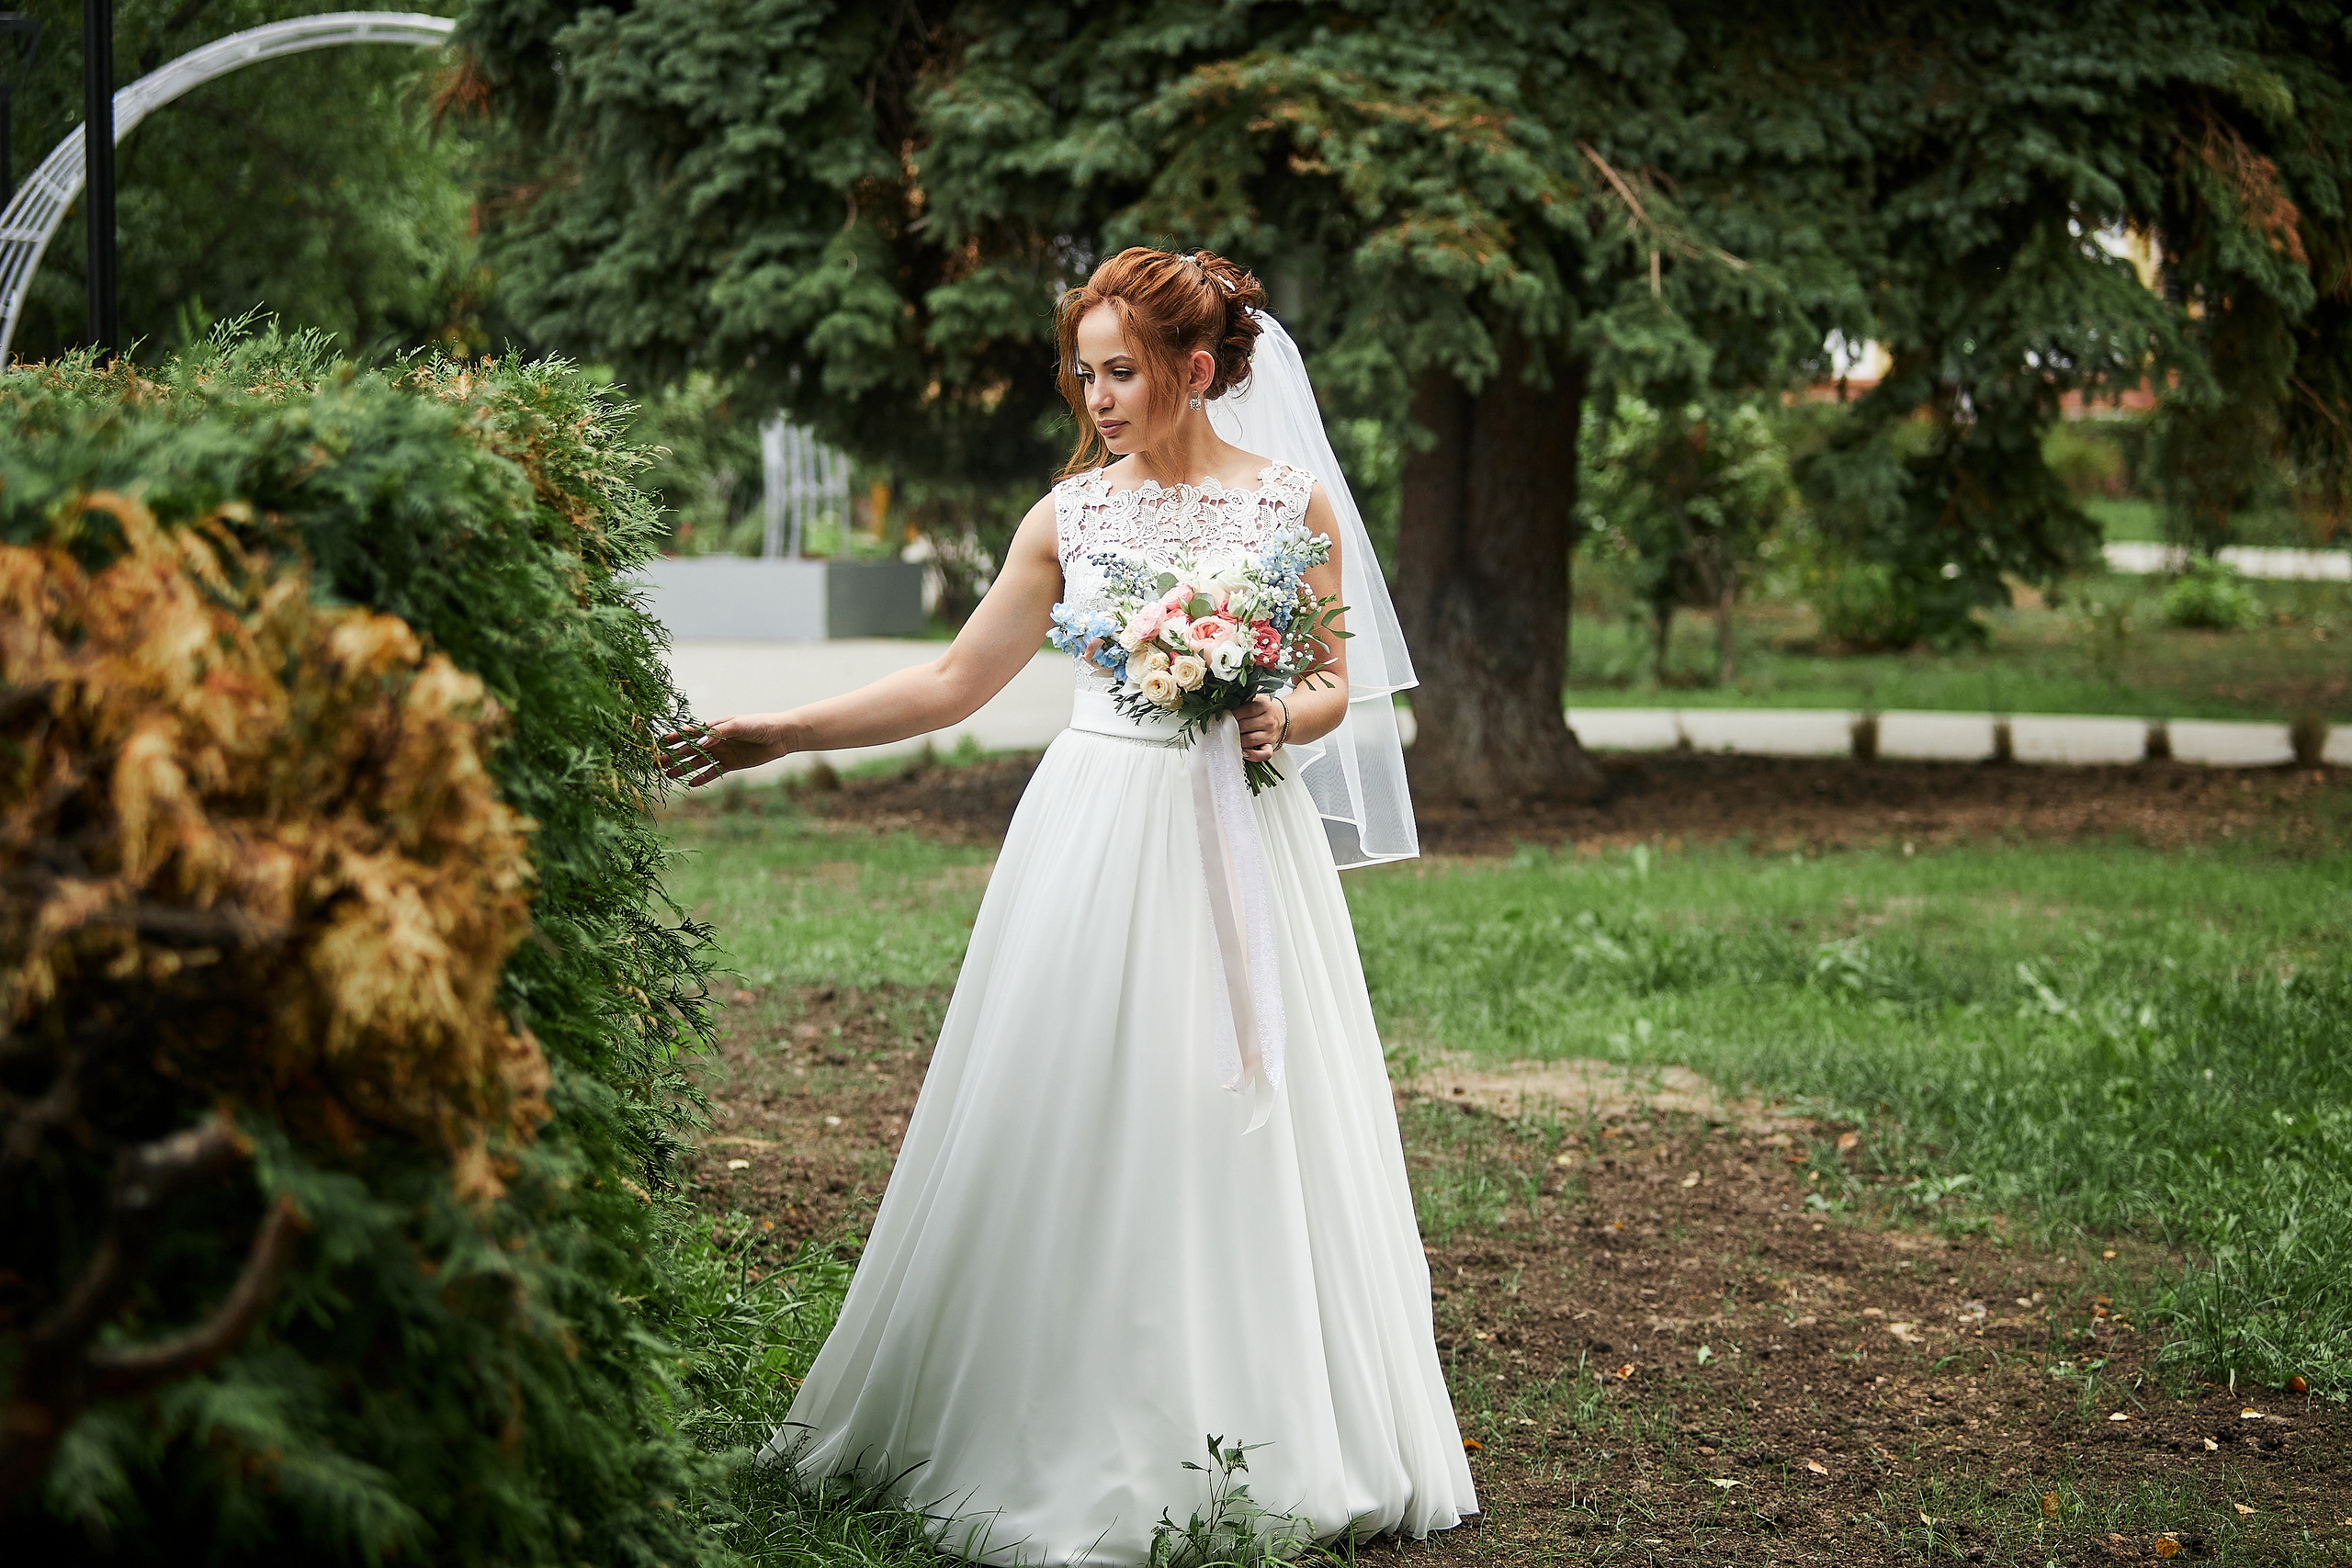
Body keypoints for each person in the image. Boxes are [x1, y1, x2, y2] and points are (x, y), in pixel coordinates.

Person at [660, 246, 1476, 1564]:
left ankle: (1258, 1425)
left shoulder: (1292, 506)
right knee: (1084, 1094)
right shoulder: (1068, 518)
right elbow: (953, 682)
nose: (1097, 399)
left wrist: (1282, 710)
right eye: (1084, 375)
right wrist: (784, 730)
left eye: (1121, 373)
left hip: (1242, 839)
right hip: (1097, 831)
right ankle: (1061, 1410)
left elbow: (1336, 681)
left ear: (1195, 370)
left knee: (1231, 1108)